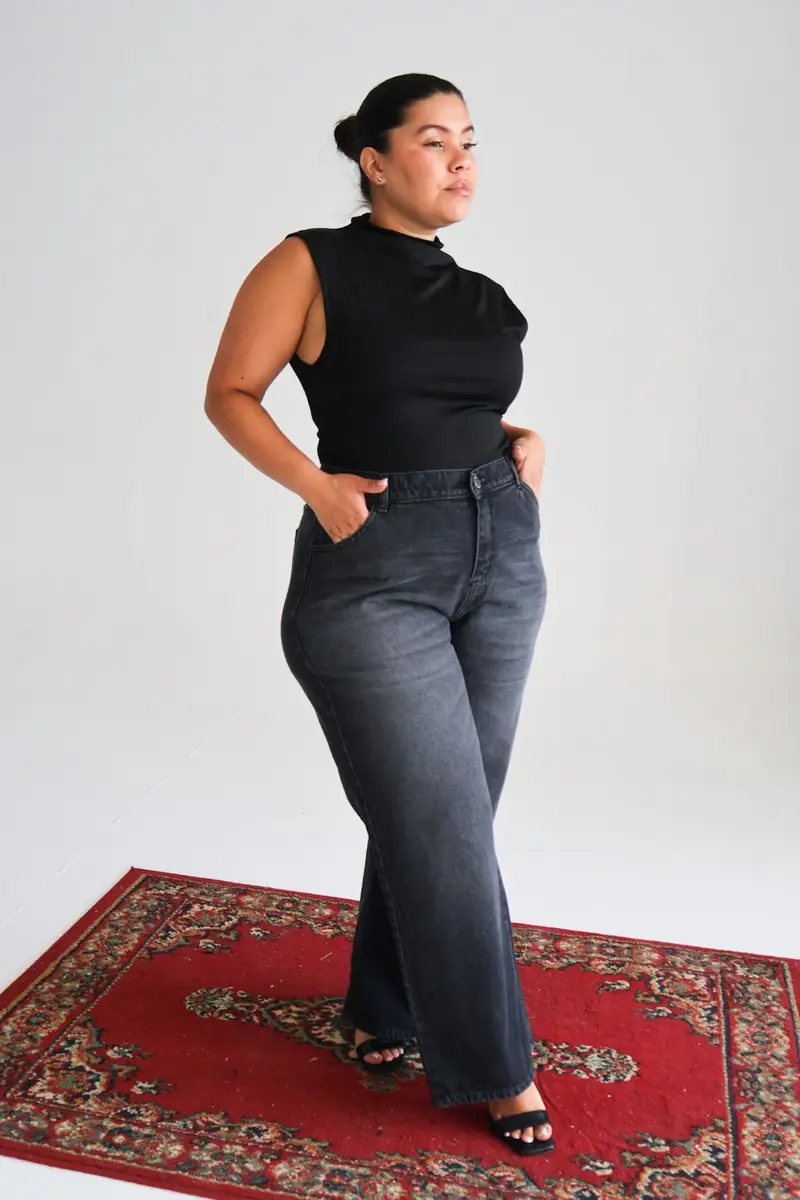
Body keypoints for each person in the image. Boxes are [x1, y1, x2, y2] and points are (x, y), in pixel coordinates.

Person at [204, 72, 553, 1157]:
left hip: (502, 555)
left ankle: (379, 1009)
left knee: (450, 811)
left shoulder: (480, 292)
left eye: (470, 141)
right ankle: (499, 1068)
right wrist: (316, 486)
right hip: (375, 571)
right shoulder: (310, 262)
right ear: (374, 159)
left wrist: (518, 440)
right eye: (434, 140)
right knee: (441, 822)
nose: (460, 161)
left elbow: (453, 406)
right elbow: (230, 392)